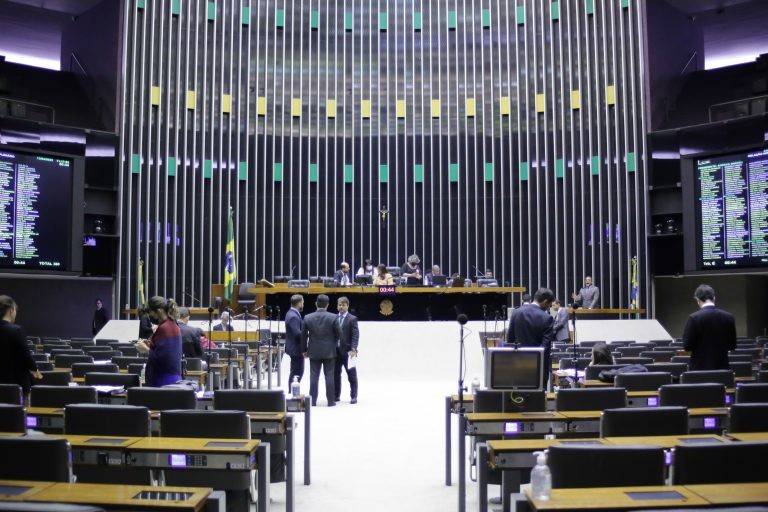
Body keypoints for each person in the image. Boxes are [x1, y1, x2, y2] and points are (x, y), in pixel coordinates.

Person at [506, 288, 555, 390]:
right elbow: (545, 348)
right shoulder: (547, 318)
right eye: (549, 305)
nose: (549, 307)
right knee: (537, 398)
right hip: (538, 369)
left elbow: (510, 340)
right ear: (545, 301)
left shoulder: (516, 313)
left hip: (517, 366)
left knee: (518, 397)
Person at [682, 284, 737, 371]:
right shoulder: (729, 317)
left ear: (697, 300)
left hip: (698, 369)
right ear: (714, 298)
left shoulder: (693, 318)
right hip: (722, 368)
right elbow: (732, 345)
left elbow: (687, 346)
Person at [301, 294, 342, 406]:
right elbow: (339, 334)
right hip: (329, 351)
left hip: (314, 351)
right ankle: (331, 401)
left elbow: (303, 336)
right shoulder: (334, 317)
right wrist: (333, 343)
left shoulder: (307, 317)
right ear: (327, 305)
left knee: (314, 376)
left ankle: (312, 401)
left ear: (316, 304)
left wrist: (304, 350)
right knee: (329, 376)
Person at [0, 295, 42, 403]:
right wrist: (35, 369)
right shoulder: (16, 330)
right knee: (18, 412)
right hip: (15, 385)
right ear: (11, 310)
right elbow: (26, 356)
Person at [135, 296, 182, 387]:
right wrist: (151, 345)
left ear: (159, 311)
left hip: (164, 379)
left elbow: (165, 358)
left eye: (151, 312)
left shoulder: (165, 327)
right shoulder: (172, 324)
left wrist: (146, 349)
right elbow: (165, 350)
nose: (150, 315)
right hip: (170, 376)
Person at [334, 296, 359, 404]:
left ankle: (353, 396)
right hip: (335, 351)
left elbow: (355, 335)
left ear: (347, 306)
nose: (341, 307)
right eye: (339, 305)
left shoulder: (352, 319)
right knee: (335, 375)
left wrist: (353, 348)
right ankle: (336, 395)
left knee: (351, 375)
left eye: (343, 305)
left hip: (348, 352)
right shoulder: (334, 318)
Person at [285, 294, 305, 387]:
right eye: (303, 302)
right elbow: (297, 334)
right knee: (297, 373)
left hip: (294, 348)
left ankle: (292, 391)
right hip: (296, 349)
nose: (303, 304)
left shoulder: (292, 313)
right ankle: (291, 392)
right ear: (299, 303)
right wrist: (308, 336)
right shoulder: (293, 316)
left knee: (296, 372)